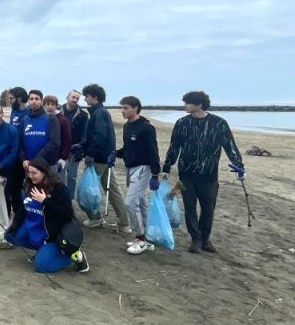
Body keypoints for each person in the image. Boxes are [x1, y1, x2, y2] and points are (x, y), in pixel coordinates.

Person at [162, 90, 244, 253]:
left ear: (199, 104)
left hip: (209, 175)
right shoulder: (182, 123)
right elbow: (174, 147)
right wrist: (167, 167)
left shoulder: (219, 123)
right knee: (190, 208)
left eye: (187, 102)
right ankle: (196, 239)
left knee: (208, 208)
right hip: (186, 174)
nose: (184, 105)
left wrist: (239, 166)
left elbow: (230, 146)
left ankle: (205, 239)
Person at [5, 157, 89, 273]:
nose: (30, 176)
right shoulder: (29, 184)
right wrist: (14, 226)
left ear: (44, 172)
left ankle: (73, 256)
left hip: (55, 235)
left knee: (41, 267)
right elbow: (23, 208)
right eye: (29, 172)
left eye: (34, 173)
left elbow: (67, 214)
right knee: (10, 235)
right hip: (39, 228)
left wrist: (45, 201)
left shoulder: (58, 188)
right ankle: (41, 251)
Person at [72, 83, 130, 233]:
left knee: (87, 190)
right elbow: (98, 136)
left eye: (87, 96)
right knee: (114, 190)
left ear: (95, 97)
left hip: (99, 158)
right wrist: (83, 146)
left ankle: (95, 217)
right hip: (105, 157)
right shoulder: (100, 112)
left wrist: (90, 153)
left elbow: (100, 136)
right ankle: (124, 223)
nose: (85, 99)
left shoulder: (99, 113)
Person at [116, 96, 161, 255]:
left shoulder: (146, 128)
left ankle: (140, 238)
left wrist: (155, 174)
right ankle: (147, 239)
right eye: (122, 107)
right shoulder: (128, 126)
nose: (123, 110)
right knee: (142, 203)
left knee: (130, 202)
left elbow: (153, 150)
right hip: (131, 168)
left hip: (143, 168)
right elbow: (128, 148)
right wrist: (115, 154)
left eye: (126, 107)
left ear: (135, 108)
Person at [19, 90, 61, 172]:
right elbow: (20, 142)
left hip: (47, 164)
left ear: (41, 101)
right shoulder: (24, 120)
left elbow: (54, 142)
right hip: (29, 165)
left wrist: (37, 159)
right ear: (28, 101)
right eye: (31, 99)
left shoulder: (51, 119)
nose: (34, 101)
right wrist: (23, 159)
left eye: (37, 99)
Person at [6, 87, 30, 215]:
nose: (9, 101)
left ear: (19, 98)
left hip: (22, 157)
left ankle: (20, 213)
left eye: (11, 98)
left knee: (19, 188)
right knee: (10, 187)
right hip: (12, 155)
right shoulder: (13, 112)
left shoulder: (28, 114)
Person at [62, 90, 88, 199]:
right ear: (67, 97)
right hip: (60, 150)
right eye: (73, 97)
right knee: (60, 176)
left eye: (77, 98)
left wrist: (81, 147)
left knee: (72, 177)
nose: (75, 100)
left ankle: (69, 200)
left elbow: (85, 133)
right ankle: (60, 198)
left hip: (74, 150)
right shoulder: (58, 112)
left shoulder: (83, 115)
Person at [43, 95, 72, 175]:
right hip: (43, 156)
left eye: (52, 104)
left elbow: (67, 139)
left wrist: (63, 157)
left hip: (58, 158)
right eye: (48, 104)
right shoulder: (42, 118)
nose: (50, 107)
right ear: (44, 105)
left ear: (56, 106)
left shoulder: (63, 120)